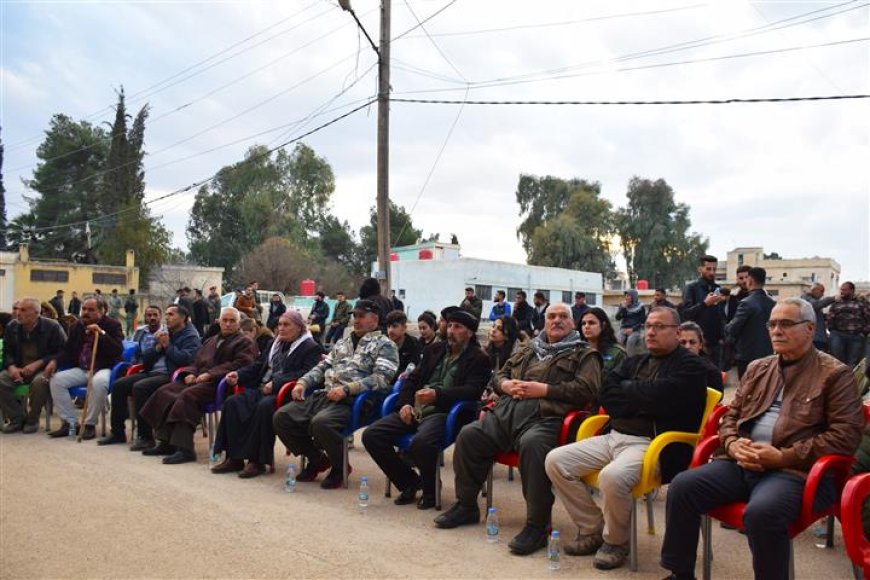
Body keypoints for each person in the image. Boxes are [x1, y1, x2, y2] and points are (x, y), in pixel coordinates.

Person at [660, 298, 864, 580]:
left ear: (810, 329)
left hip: (795, 471)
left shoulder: (836, 374)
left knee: (762, 513)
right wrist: (732, 444)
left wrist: (783, 456)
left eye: (786, 324)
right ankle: (680, 574)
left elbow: (845, 437)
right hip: (742, 462)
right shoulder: (758, 368)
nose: (777, 330)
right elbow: (730, 417)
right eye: (772, 324)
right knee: (682, 486)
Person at [546, 306, 708, 570]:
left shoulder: (691, 366)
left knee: (613, 476)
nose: (651, 332)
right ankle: (592, 529)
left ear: (678, 332)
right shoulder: (636, 360)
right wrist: (641, 399)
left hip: (652, 444)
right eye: (648, 326)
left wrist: (631, 394)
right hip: (614, 436)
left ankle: (615, 542)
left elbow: (667, 399)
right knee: (556, 460)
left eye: (659, 326)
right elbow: (606, 394)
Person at [434, 303, 601, 556]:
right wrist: (506, 385)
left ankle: (537, 526)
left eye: (563, 317)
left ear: (572, 322)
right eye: (551, 316)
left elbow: (588, 390)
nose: (557, 320)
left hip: (545, 418)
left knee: (533, 446)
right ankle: (466, 506)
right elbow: (497, 375)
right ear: (544, 321)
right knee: (469, 435)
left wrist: (544, 390)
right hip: (506, 413)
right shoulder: (528, 348)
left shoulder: (584, 354)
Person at [364, 309, 491, 509]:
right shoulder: (435, 349)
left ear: (470, 333)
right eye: (449, 326)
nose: (451, 331)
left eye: (457, 327)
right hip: (416, 409)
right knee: (372, 435)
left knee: (421, 443)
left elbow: (473, 391)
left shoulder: (479, 358)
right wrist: (405, 404)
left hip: (446, 413)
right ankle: (411, 483)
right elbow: (412, 379)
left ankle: (431, 491)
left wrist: (437, 396)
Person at [273, 299, 398, 489]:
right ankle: (317, 459)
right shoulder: (344, 342)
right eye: (354, 316)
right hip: (327, 394)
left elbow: (382, 378)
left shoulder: (385, 345)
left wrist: (348, 389)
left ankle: (340, 468)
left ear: (374, 319)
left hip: (354, 400)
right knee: (282, 417)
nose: (356, 320)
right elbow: (323, 366)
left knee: (321, 423)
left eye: (361, 316)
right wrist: (302, 382)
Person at [210, 311, 323, 478]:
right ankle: (234, 458)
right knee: (233, 402)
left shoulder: (311, 347)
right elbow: (258, 366)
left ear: (299, 328)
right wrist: (239, 374)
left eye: (286, 325)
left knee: (264, 407)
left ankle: (257, 461)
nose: (281, 328)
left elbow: (305, 373)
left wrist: (276, 383)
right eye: (280, 325)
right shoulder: (273, 343)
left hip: (288, 393)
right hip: (263, 388)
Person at [139, 307, 257, 464]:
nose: (228, 324)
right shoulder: (211, 340)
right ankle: (165, 441)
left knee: (186, 396)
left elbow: (241, 364)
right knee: (164, 392)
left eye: (232, 321)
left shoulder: (245, 342)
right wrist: (190, 373)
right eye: (225, 320)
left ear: (239, 323)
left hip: (219, 383)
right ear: (219, 322)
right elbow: (196, 361)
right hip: (198, 380)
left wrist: (210, 374)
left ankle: (185, 449)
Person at [97, 305, 201, 447]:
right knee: (119, 385)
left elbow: (186, 360)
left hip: (171, 375)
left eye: (171, 314)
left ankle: (145, 437)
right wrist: (158, 347)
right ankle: (117, 433)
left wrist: (167, 346)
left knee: (141, 387)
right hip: (152, 372)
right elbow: (146, 360)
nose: (167, 318)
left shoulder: (190, 335)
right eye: (167, 314)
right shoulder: (166, 332)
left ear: (183, 318)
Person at [46, 298, 125, 440]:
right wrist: (55, 362)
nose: (86, 312)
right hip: (82, 369)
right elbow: (67, 350)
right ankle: (70, 423)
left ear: (102, 312)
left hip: (103, 367)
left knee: (99, 383)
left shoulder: (113, 325)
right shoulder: (77, 325)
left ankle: (89, 424)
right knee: (56, 380)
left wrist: (101, 334)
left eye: (91, 310)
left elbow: (117, 350)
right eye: (84, 309)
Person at [0, 297, 66, 434]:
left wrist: (40, 363)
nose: (18, 313)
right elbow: (6, 352)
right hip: (19, 368)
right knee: (2, 380)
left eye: (23, 310)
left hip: (42, 369)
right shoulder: (12, 326)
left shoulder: (52, 327)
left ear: (36, 313)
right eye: (18, 309)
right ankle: (17, 418)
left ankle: (32, 420)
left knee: (40, 382)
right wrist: (11, 367)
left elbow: (63, 351)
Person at [724, 266, 776, 379]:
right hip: (768, 354)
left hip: (747, 356)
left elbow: (733, 328)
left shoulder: (746, 303)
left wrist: (724, 327)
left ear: (750, 280)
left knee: (746, 390)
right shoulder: (772, 303)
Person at [680, 255, 727, 367]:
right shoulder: (691, 288)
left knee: (713, 381)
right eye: (708, 269)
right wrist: (705, 304)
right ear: (700, 269)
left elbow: (720, 315)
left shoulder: (717, 288)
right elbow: (686, 313)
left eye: (714, 269)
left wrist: (722, 337)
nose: (712, 272)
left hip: (715, 345)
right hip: (697, 344)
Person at [827, 281, 870, 367]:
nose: (842, 292)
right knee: (837, 361)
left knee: (853, 363)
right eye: (841, 290)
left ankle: (850, 379)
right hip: (838, 335)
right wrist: (832, 330)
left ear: (851, 291)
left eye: (844, 290)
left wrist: (863, 333)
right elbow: (830, 318)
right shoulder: (836, 304)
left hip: (856, 337)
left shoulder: (861, 303)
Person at [579, 307, 626, 380]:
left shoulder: (617, 353)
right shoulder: (577, 351)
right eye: (583, 323)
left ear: (603, 325)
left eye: (591, 323)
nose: (586, 326)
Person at [678, 322, 724, 392]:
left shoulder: (711, 371)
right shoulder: (666, 364)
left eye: (692, 342)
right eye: (683, 342)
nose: (687, 347)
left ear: (700, 344)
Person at [386, 310, 421, 379]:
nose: (390, 330)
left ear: (404, 328)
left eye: (394, 326)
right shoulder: (385, 344)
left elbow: (413, 369)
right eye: (388, 326)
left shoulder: (413, 345)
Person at [801, 283, 835, 351]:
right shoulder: (805, 298)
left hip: (817, 337)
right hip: (813, 338)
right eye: (821, 291)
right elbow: (815, 305)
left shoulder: (812, 299)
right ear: (815, 290)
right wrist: (833, 298)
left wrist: (825, 316)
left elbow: (815, 315)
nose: (822, 294)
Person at [615, 289, 647, 356]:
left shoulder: (641, 307)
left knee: (630, 341)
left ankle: (630, 360)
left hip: (635, 330)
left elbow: (642, 321)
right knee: (618, 341)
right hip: (623, 329)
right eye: (625, 296)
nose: (626, 297)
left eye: (628, 296)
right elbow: (617, 318)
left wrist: (632, 329)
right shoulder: (623, 305)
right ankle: (617, 359)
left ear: (633, 297)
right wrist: (623, 308)